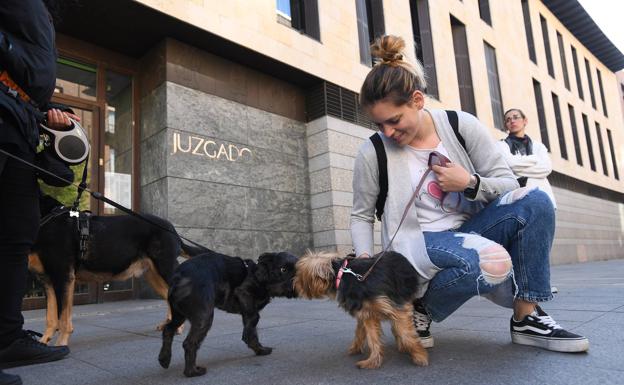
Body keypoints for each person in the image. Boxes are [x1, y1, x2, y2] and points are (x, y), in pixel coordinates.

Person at [350, 35, 588, 353]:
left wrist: (470, 184)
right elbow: (362, 213)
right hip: (418, 242)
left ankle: (526, 317)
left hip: (469, 230)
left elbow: (508, 183)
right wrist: (364, 263)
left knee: (535, 200)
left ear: (417, 101)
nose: (389, 132)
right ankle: (417, 312)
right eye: (380, 124)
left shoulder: (461, 126)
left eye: (394, 120)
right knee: (488, 262)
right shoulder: (373, 151)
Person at [0, 1, 77, 382]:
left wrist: (41, 107)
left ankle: (6, 337)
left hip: (20, 120)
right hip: (4, 112)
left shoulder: (39, 9)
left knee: (17, 231)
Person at [495, 108, 556, 208]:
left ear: (525, 121)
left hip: (545, 199)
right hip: (518, 200)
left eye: (515, 117)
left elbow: (546, 168)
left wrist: (518, 168)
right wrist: (535, 159)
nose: (512, 121)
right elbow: (511, 164)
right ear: (506, 125)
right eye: (508, 119)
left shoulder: (538, 146)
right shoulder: (501, 145)